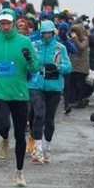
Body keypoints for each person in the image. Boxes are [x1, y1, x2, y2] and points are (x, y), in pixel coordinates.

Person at [0, 8, 39, 187]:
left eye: (8, 23)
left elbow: (35, 68)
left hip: (19, 93)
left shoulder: (24, 41)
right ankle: (4, 137)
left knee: (20, 134)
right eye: (2, 23)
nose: (5, 26)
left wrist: (29, 59)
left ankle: (19, 173)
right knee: (3, 124)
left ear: (13, 23)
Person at [28, 20, 71, 164]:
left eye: (48, 33)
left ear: (53, 33)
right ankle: (37, 149)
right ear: (40, 34)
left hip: (54, 87)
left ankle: (47, 148)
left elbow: (68, 67)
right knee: (39, 114)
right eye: (43, 33)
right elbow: (29, 66)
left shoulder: (61, 48)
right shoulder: (34, 46)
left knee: (49, 118)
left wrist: (57, 67)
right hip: (36, 84)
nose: (46, 35)